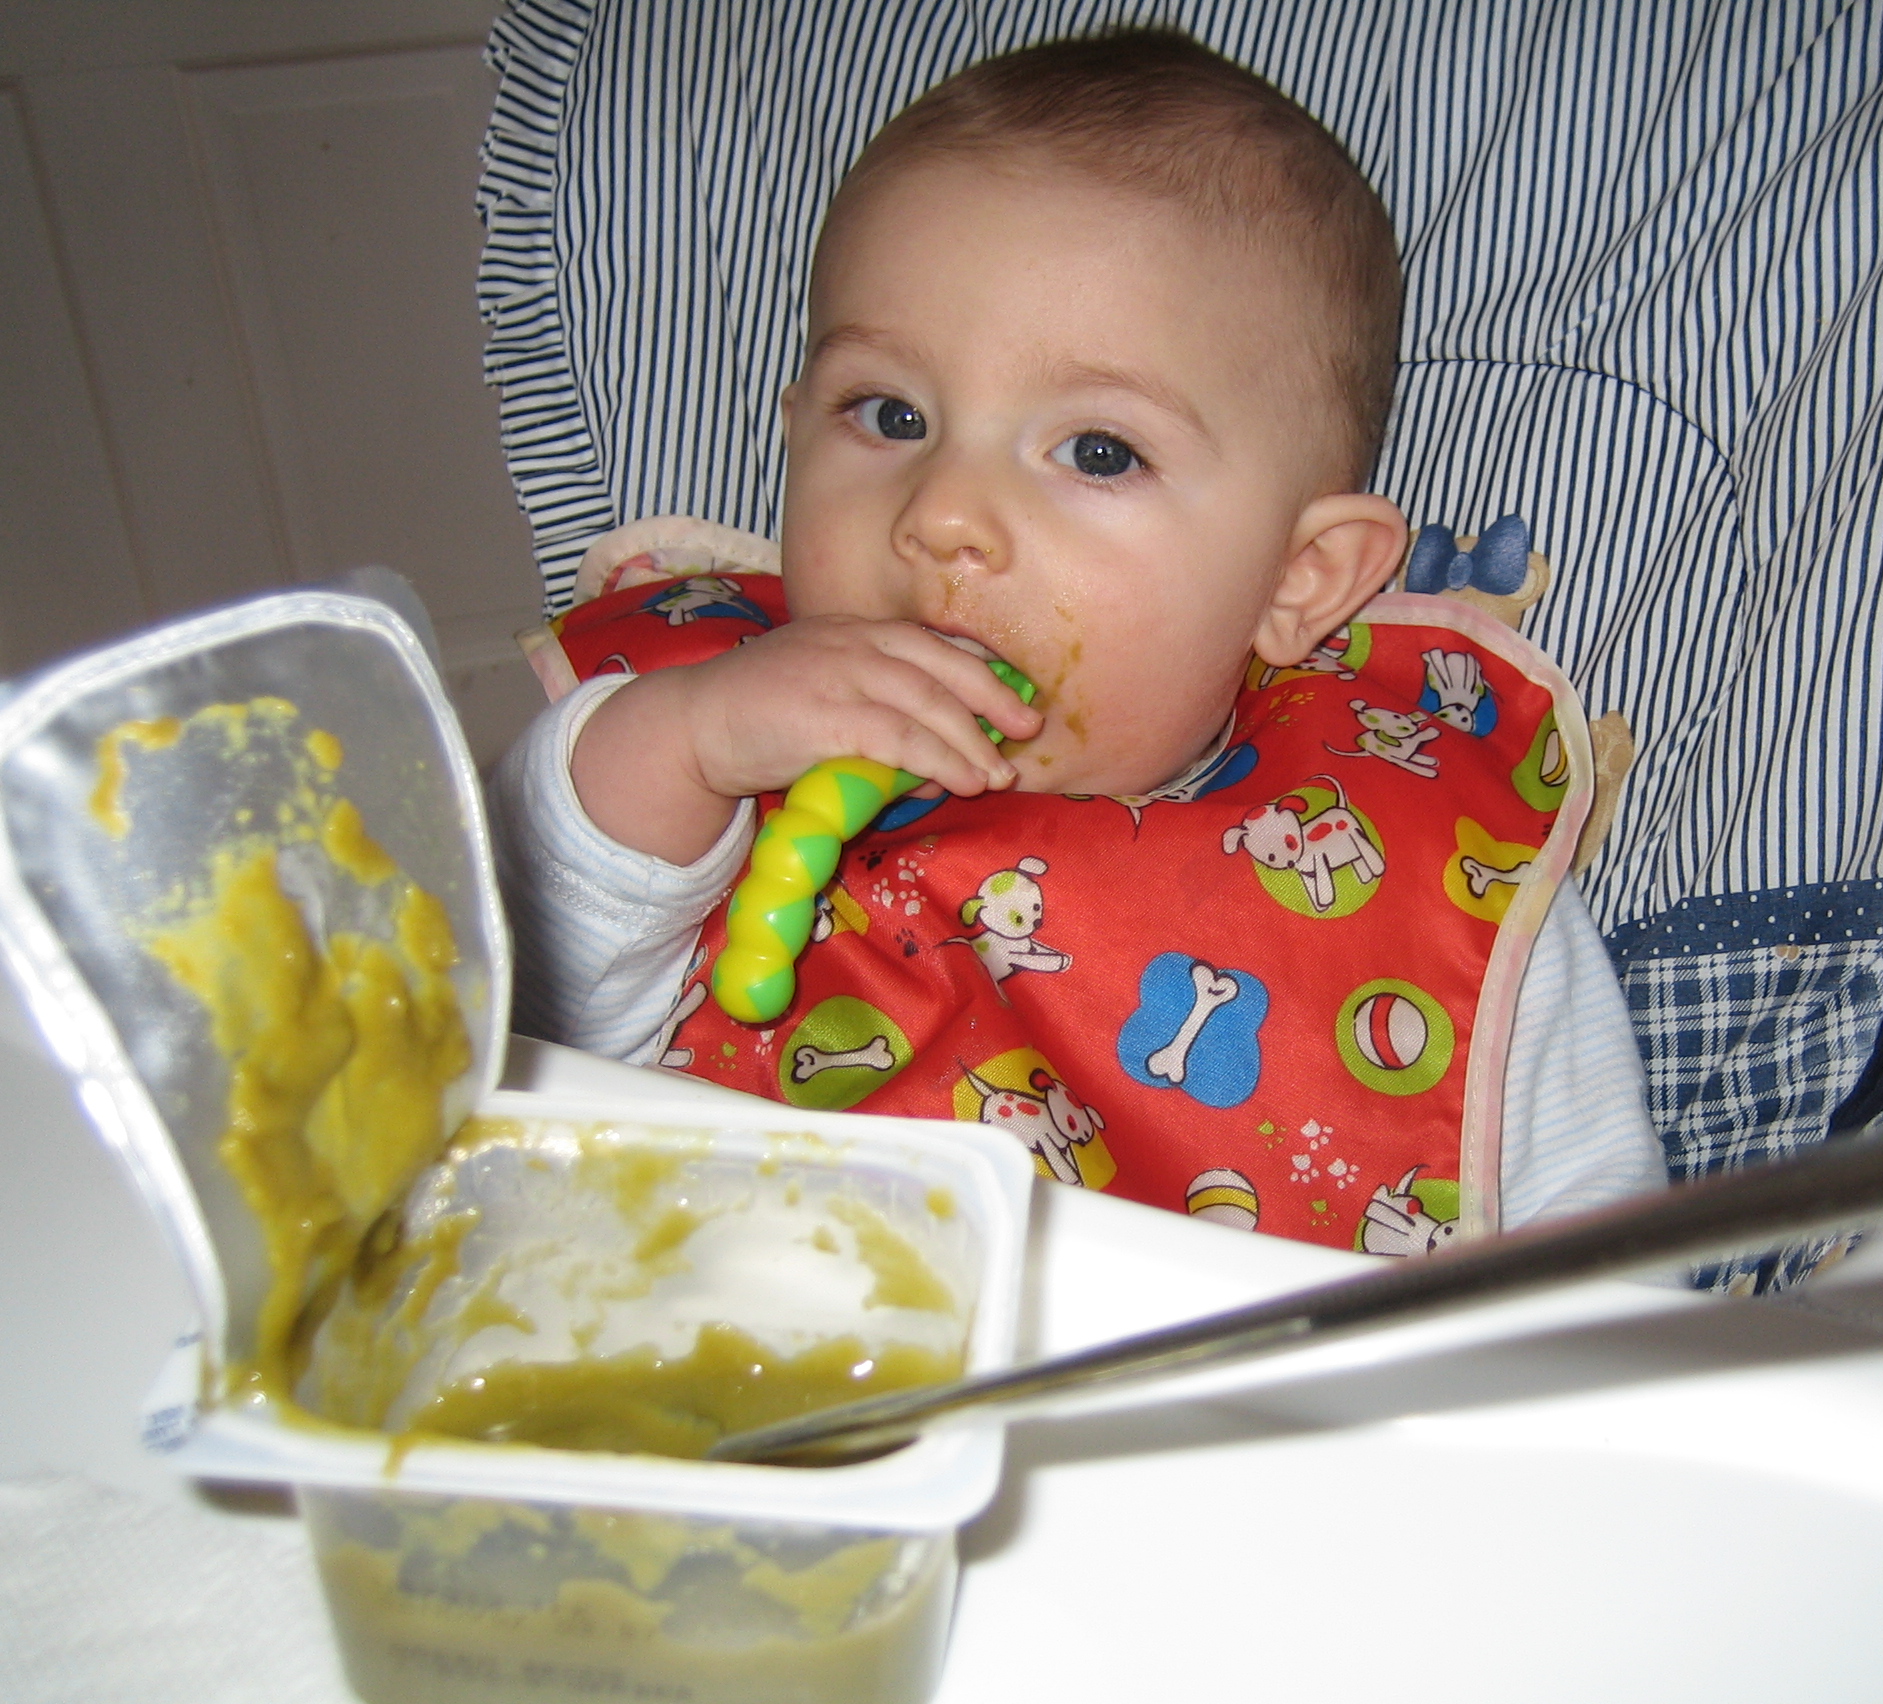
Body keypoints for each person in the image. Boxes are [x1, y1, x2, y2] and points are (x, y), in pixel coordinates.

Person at [489, 27, 1664, 1251]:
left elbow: (1601, 1282)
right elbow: (515, 1012)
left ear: (1296, 576)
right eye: (888, 414)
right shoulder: (715, 763)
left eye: (1098, 452)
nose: (941, 513)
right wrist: (678, 745)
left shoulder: (1419, 866)